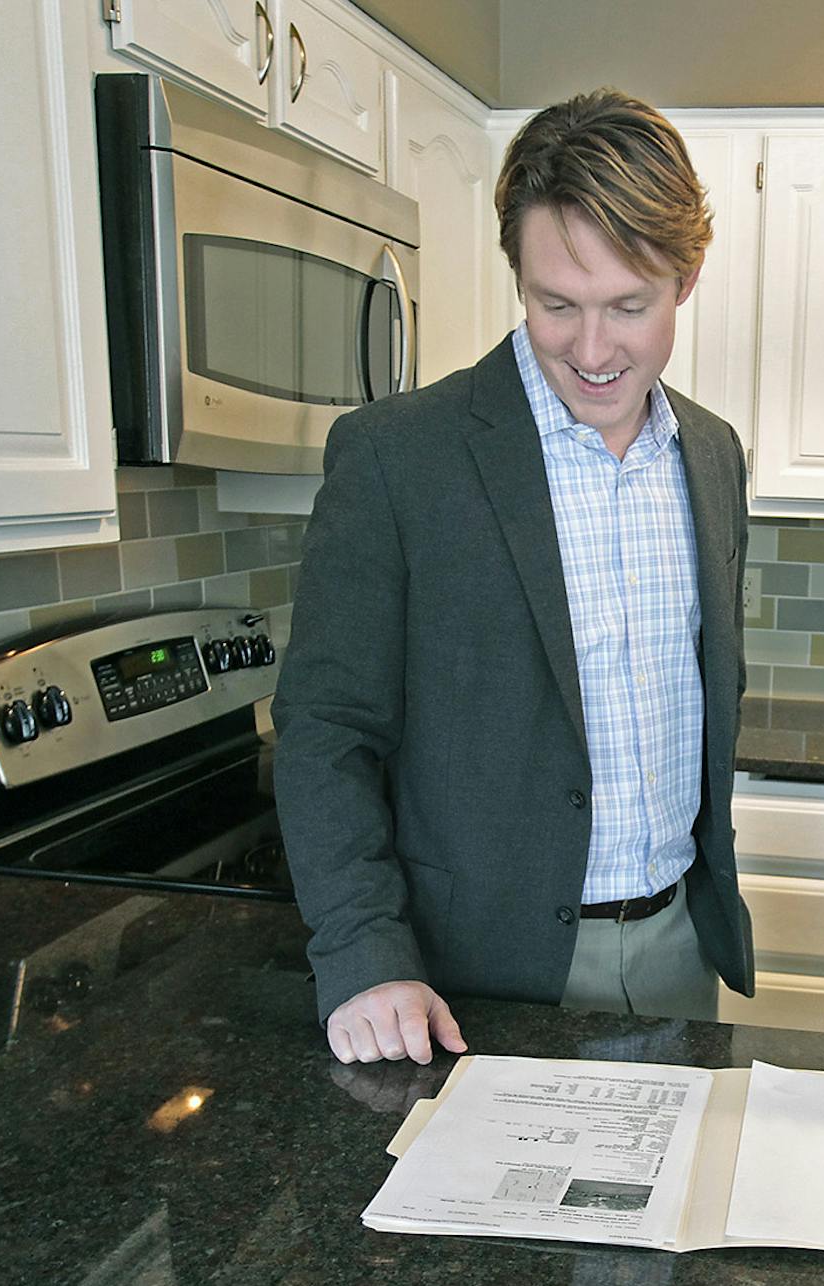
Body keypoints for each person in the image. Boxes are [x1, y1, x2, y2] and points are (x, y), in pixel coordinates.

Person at [273, 89, 754, 1067]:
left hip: (679, 953)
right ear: (518, 277)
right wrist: (364, 955)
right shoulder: (399, 458)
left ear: (687, 276)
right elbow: (328, 730)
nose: (591, 350)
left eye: (629, 306)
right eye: (554, 305)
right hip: (475, 977)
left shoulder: (712, 454)